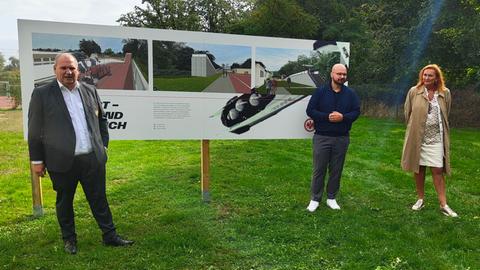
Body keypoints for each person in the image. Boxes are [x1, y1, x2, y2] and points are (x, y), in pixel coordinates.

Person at [28, 53, 134, 254]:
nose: (68, 72)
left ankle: (109, 236)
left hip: (92, 159)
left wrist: (103, 146)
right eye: (63, 68)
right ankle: (69, 240)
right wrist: (37, 160)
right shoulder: (42, 94)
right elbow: (34, 131)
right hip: (61, 160)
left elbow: (102, 121)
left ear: (78, 70)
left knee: (99, 198)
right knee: (65, 201)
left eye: (72, 68)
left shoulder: (90, 90)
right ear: (55, 70)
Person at [401, 64, 458, 217]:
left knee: (437, 170)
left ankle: (443, 204)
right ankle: (420, 199)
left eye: (430, 76)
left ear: (437, 78)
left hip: (437, 138)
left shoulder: (444, 93)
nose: (426, 78)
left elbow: (447, 113)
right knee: (418, 169)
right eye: (424, 75)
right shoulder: (414, 92)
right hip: (418, 138)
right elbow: (408, 113)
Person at [305, 63, 360, 212]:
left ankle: (331, 198)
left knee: (336, 169)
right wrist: (326, 117)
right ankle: (315, 199)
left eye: (344, 74)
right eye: (339, 74)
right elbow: (310, 110)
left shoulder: (351, 94)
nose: (341, 77)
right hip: (322, 137)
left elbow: (356, 112)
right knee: (319, 169)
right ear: (332, 74)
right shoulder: (320, 92)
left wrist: (343, 117)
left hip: (341, 138)